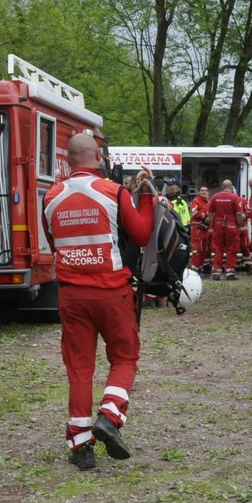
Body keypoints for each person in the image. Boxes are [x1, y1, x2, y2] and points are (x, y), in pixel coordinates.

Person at [44, 133, 156, 470]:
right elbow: (140, 234)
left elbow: (54, 242)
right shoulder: (113, 192)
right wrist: (147, 196)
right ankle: (109, 416)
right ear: (98, 156)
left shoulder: (51, 197)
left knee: (80, 368)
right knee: (124, 357)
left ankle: (81, 447)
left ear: (67, 160)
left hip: (71, 294)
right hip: (112, 292)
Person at [208, 178, 243, 279]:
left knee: (218, 249)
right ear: (231, 187)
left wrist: (212, 225)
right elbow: (239, 214)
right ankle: (229, 272)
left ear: (222, 187)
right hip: (232, 226)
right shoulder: (235, 198)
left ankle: (216, 272)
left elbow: (210, 213)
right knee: (232, 249)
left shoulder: (215, 197)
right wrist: (240, 226)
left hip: (218, 225)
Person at [189, 184, 212, 272]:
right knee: (197, 248)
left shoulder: (208, 201)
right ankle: (195, 268)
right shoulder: (196, 201)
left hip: (205, 229)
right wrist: (204, 217)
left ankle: (202, 267)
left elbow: (211, 213)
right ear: (199, 192)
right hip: (197, 228)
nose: (204, 192)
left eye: (206, 190)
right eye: (202, 190)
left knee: (205, 249)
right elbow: (194, 213)